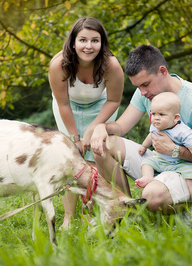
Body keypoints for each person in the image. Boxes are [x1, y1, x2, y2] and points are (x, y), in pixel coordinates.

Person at [90, 44, 192, 217]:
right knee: (105, 144)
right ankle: (127, 210)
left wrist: (174, 150)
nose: (143, 92)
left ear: (162, 71)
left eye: (145, 84)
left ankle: (186, 208)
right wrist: (102, 127)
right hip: (161, 162)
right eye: (138, 87)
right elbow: (120, 127)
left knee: (151, 197)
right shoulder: (145, 94)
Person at [48, 17, 124, 229]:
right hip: (68, 107)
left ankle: (95, 211)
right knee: (71, 158)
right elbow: (63, 104)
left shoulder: (111, 65)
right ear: (73, 42)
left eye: (95, 40)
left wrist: (93, 128)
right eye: (83, 40)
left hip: (102, 106)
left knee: (96, 155)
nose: (89, 46)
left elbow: (114, 100)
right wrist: (76, 138)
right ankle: (69, 218)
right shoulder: (59, 65)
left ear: (102, 43)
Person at [136, 92, 192, 217]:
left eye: (162, 114)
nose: (156, 118)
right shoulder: (155, 126)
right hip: (161, 160)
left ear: (176, 118)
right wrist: (143, 146)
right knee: (147, 162)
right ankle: (148, 177)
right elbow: (150, 136)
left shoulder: (183, 132)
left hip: (180, 163)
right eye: (153, 114)